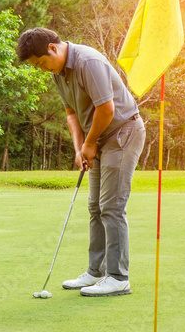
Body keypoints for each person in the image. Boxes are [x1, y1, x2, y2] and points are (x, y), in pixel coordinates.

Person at [16, 27, 145, 297]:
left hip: (123, 132)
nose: (42, 69)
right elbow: (72, 114)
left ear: (53, 48)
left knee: (111, 206)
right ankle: (95, 272)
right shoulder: (58, 73)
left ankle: (119, 277)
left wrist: (89, 143)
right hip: (98, 139)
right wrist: (79, 148)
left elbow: (107, 109)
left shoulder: (88, 61)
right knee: (95, 206)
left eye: (41, 63)